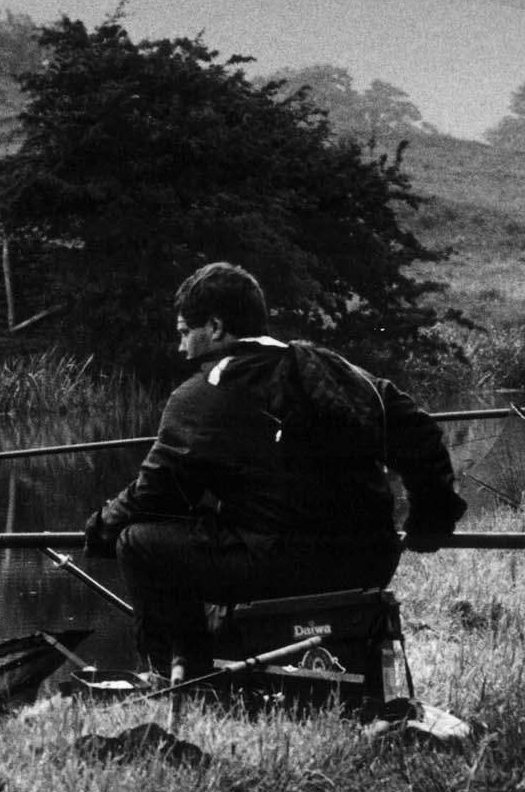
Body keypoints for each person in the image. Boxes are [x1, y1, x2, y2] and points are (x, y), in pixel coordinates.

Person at [83, 262, 467, 678]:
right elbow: (422, 435)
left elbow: (157, 496)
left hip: (286, 567)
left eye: (182, 332)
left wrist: (103, 528)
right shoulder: (342, 373)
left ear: (214, 326)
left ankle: (181, 678)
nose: (181, 348)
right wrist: (431, 522)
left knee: (138, 543)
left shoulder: (202, 393)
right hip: (370, 559)